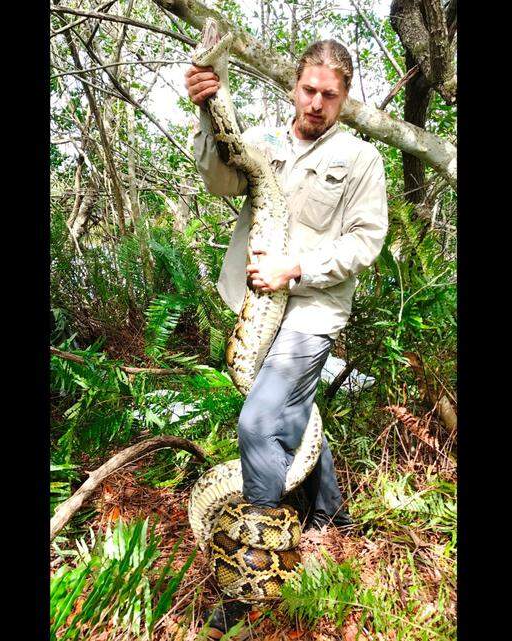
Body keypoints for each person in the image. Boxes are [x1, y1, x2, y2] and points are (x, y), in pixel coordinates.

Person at [185, 39, 387, 531]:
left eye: (330, 95)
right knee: (291, 411)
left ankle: (261, 554)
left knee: (260, 420)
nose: (316, 103)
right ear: (294, 86)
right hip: (257, 304)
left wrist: (294, 267)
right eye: (309, 90)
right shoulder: (262, 141)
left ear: (345, 97)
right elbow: (220, 182)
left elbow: (365, 242)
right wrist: (207, 116)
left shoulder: (361, 159)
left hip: (312, 308)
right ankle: (332, 517)